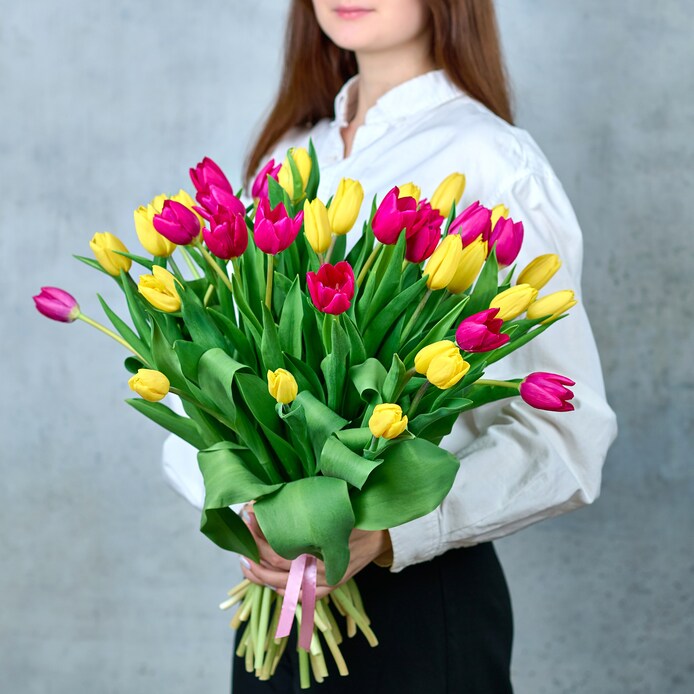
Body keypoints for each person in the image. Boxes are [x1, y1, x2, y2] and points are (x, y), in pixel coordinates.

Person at [162, 1, 618, 691]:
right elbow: (209, 378)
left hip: (419, 607)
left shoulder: (490, 157)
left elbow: (566, 436)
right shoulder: (289, 156)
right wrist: (252, 510)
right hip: (276, 604)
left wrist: (387, 534)